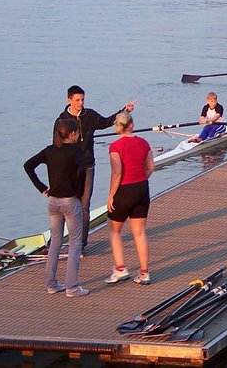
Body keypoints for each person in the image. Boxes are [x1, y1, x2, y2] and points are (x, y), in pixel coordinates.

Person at [54, 85, 136, 253]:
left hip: (88, 167)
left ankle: (80, 244)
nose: (81, 103)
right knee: (65, 206)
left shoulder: (89, 115)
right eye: (77, 100)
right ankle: (56, 242)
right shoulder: (61, 120)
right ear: (69, 100)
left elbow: (106, 122)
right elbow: (56, 147)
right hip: (69, 170)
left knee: (84, 207)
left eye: (82, 99)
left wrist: (125, 111)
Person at [23, 118, 89, 297]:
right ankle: (72, 287)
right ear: (73, 134)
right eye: (77, 133)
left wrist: (42, 188)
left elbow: (28, 166)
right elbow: (82, 171)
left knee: (56, 242)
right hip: (70, 201)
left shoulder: (50, 151)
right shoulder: (76, 151)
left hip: (52, 201)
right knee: (75, 243)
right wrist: (79, 191)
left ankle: (51, 284)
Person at [105, 112, 154, 285]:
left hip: (124, 190)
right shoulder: (144, 143)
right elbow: (150, 167)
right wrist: (141, 179)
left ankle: (120, 269)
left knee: (114, 230)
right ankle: (144, 273)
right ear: (131, 125)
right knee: (139, 233)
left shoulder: (115, 146)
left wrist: (111, 195)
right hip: (142, 188)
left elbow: (117, 172)